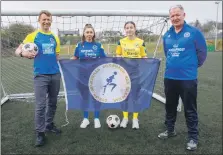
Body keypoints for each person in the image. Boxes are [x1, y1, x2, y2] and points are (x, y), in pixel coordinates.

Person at [157, 5, 207, 151]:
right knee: (170, 106)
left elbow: (202, 53)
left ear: (184, 15)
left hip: (188, 78)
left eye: (177, 15)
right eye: (172, 16)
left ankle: (193, 137)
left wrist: (191, 66)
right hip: (170, 77)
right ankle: (170, 130)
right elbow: (168, 53)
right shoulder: (167, 35)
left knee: (190, 108)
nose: (175, 18)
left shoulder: (194, 33)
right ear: (170, 17)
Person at [15, 10, 61, 147]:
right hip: (40, 75)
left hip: (55, 74)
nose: (46, 21)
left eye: (48, 19)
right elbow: (18, 50)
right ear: (39, 20)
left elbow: (56, 56)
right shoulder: (32, 36)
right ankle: (40, 133)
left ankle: (49, 125)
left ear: (51, 21)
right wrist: (23, 54)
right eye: (44, 19)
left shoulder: (54, 37)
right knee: (41, 105)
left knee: (53, 103)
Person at [71, 24, 106, 128]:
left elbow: (105, 59)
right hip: (82, 76)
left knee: (96, 98)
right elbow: (75, 57)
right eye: (87, 32)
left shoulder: (99, 45)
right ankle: (85, 119)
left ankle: (96, 119)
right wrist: (63, 62)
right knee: (84, 98)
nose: (89, 34)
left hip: (96, 76)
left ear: (94, 33)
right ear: (84, 33)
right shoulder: (79, 45)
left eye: (91, 32)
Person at [116, 21, 148, 129]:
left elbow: (144, 56)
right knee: (124, 96)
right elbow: (118, 54)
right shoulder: (120, 42)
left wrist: (153, 61)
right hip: (123, 73)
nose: (129, 29)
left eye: (131, 27)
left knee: (135, 96)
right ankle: (125, 118)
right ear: (125, 30)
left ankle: (135, 119)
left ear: (135, 29)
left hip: (136, 73)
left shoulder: (141, 42)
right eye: (127, 28)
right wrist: (118, 57)